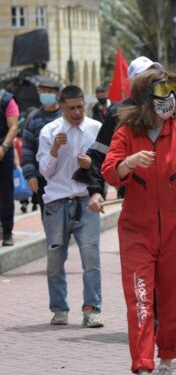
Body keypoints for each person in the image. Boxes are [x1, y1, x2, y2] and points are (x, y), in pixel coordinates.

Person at [101, 45, 176, 375]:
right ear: (144, 98)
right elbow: (109, 171)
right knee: (139, 299)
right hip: (137, 231)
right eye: (161, 91)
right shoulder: (126, 132)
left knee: (173, 299)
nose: (169, 96)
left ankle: (167, 357)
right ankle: (142, 365)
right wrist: (128, 163)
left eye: (172, 90)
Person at [36, 85, 103, 326]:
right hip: (56, 202)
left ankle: (92, 308)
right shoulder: (49, 131)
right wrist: (54, 149)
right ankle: (59, 308)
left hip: (86, 201)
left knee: (91, 257)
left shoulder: (96, 129)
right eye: (71, 108)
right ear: (61, 106)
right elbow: (45, 171)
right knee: (55, 260)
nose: (76, 112)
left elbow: (106, 166)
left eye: (80, 107)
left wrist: (90, 166)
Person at [22, 78, 62, 220]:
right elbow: (27, 149)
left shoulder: (66, 116)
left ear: (57, 94)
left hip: (65, 175)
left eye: (49, 91)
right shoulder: (33, 119)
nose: (46, 94)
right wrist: (30, 175)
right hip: (42, 178)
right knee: (48, 215)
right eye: (43, 91)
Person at [0, 85, 20, 246]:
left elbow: (13, 126)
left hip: (2, 153)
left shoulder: (6, 99)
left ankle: (7, 232)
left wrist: (4, 147)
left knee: (5, 193)